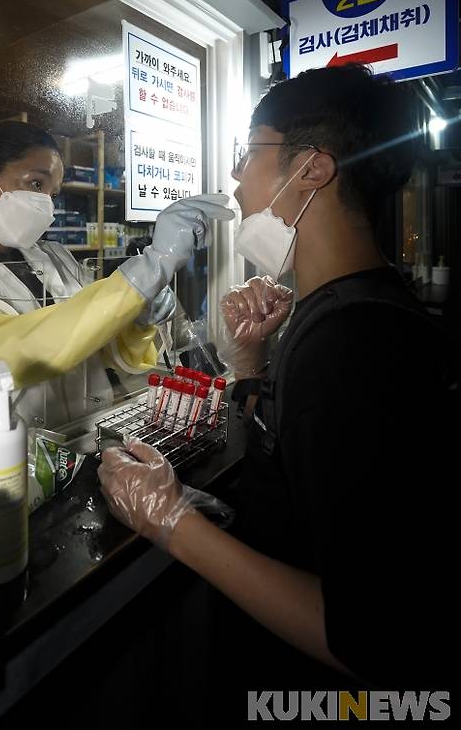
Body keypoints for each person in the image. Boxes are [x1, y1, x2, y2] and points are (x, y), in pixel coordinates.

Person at [98, 64, 456, 689]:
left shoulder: (354, 345)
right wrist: (249, 366)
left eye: (248, 152)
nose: (235, 178)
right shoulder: (346, 308)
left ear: (311, 169)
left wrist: (171, 521)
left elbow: (368, 634)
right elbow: (309, 460)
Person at [0, 120, 234, 430]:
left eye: (51, 194)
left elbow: (105, 346)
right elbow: (21, 352)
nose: (45, 205)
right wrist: (149, 269)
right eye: (35, 184)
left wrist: (139, 316)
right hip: (14, 459)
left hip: (88, 436)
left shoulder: (54, 257)